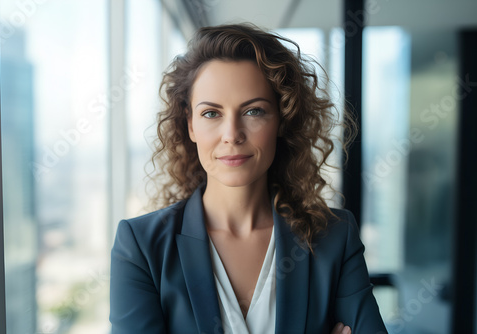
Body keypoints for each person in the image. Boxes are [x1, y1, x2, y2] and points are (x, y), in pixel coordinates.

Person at [110, 23, 387, 334]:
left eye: (253, 111)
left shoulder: (334, 237)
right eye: (211, 113)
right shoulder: (141, 246)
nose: (232, 135)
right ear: (190, 125)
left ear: (282, 119)